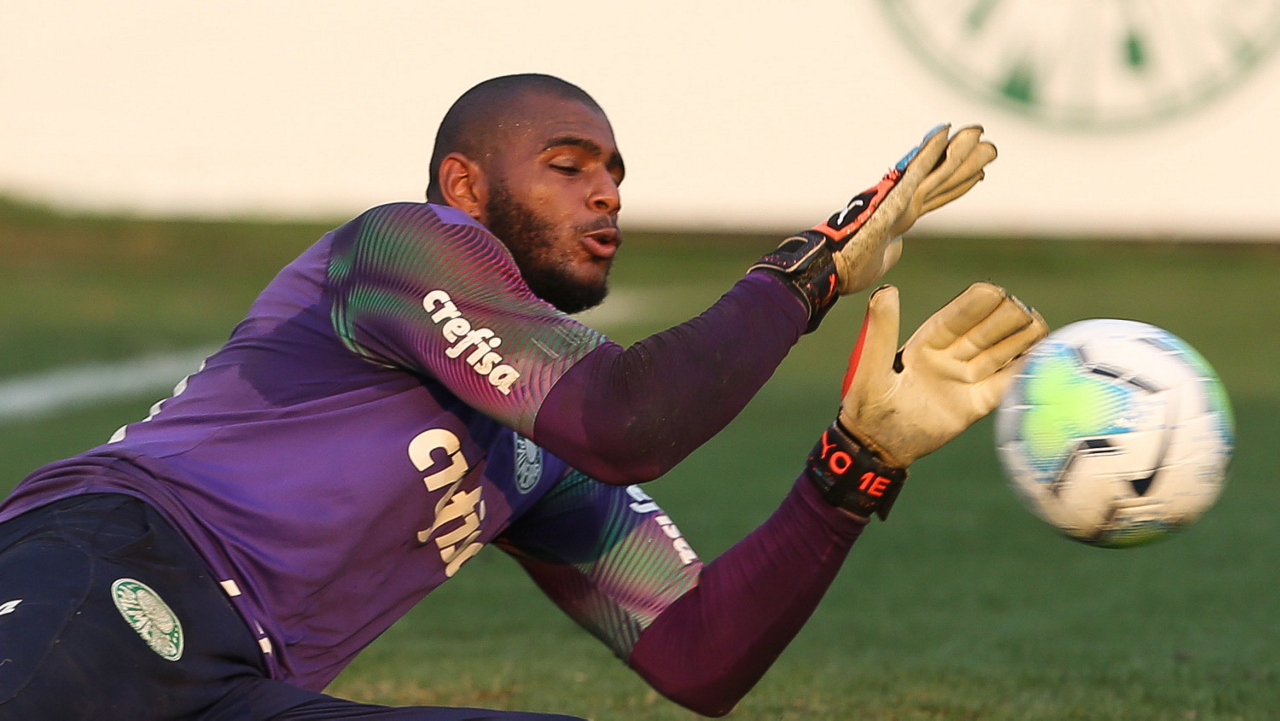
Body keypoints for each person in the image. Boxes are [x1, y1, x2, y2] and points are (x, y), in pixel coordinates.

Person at [0, 74, 1045, 719]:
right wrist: (811, 268)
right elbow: (628, 419)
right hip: (116, 568)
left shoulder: (538, 456)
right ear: (465, 185)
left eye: (615, 172)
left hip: (242, 684)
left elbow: (699, 654)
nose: (607, 190)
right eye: (566, 165)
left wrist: (857, 463)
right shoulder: (400, 245)